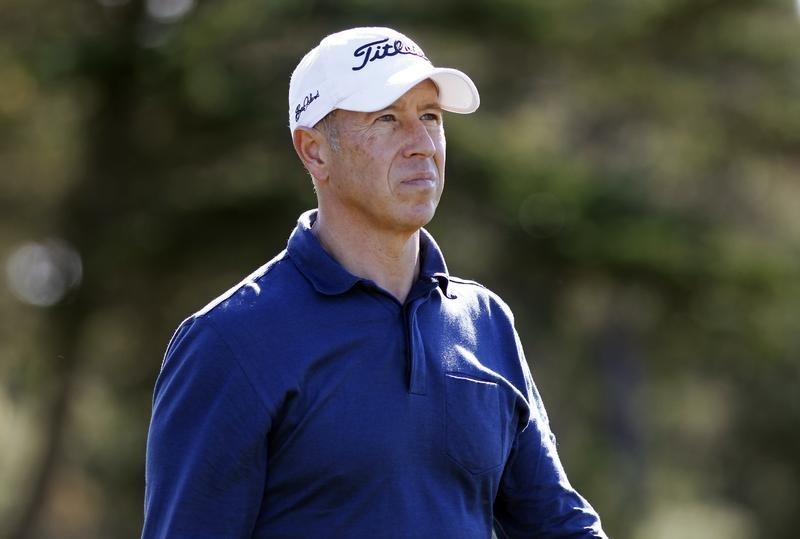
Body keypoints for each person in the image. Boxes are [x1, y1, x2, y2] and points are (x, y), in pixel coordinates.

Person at [142, 26, 607, 538]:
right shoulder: (230, 342)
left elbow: (557, 526)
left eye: (430, 117)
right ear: (314, 151)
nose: (423, 144)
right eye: (387, 119)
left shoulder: (485, 323)